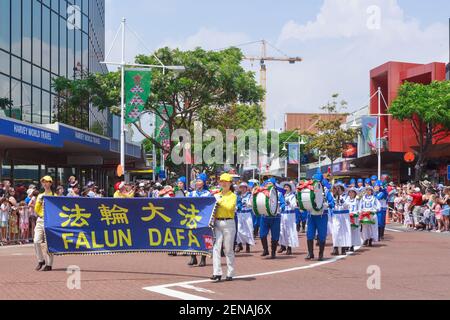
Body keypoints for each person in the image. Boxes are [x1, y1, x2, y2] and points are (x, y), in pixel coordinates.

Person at [210, 173, 237, 283]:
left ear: (230, 183)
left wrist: (218, 200)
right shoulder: (217, 195)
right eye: (222, 181)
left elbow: (230, 207)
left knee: (228, 249)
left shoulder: (233, 196)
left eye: (226, 181)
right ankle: (217, 273)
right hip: (217, 223)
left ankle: (230, 272)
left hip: (229, 223)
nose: (224, 183)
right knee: (216, 248)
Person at [305, 171, 334, 261]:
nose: (315, 182)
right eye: (314, 180)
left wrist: (326, 205)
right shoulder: (309, 189)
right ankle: (310, 253)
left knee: (321, 235)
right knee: (309, 235)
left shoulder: (325, 190)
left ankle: (321, 254)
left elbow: (332, 203)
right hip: (311, 215)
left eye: (317, 180)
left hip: (322, 215)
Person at [187, 173, 211, 267]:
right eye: (197, 181)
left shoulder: (208, 193)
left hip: (204, 218)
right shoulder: (191, 193)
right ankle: (193, 257)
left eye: (200, 180)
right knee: (191, 236)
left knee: (204, 237)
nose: (197, 182)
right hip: (193, 218)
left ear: (204, 182)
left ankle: (203, 258)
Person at [259, 177, 285, 259]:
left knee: (275, 236)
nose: (268, 185)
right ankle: (265, 250)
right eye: (267, 184)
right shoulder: (263, 193)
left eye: (270, 184)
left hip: (275, 217)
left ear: (274, 185)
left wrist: (279, 209)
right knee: (262, 235)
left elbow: (283, 204)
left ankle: (273, 252)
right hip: (265, 217)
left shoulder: (279, 194)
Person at [34, 176, 56, 271]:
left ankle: (49, 264)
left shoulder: (54, 196)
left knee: (48, 243)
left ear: (51, 183)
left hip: (50, 221)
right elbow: (36, 209)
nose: (45, 184)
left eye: (47, 182)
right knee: (36, 241)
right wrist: (40, 202)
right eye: (43, 182)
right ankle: (40, 260)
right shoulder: (40, 195)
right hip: (40, 220)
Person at [330, 183, 352, 256]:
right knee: (335, 232)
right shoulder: (333, 197)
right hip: (336, 215)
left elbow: (347, 205)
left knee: (344, 232)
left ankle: (343, 249)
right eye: (337, 188)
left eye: (339, 188)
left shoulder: (346, 197)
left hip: (344, 216)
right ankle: (335, 248)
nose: (338, 190)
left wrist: (341, 199)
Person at [279, 183, 299, 255]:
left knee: (289, 231)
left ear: (290, 188)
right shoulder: (281, 195)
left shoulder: (292, 196)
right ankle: (282, 245)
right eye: (284, 187)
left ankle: (289, 248)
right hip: (282, 215)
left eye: (287, 187)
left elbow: (294, 206)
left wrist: (289, 203)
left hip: (290, 215)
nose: (286, 188)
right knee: (281, 230)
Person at [235, 182, 255, 254]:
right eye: (241, 187)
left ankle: (247, 246)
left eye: (244, 187)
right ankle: (239, 244)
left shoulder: (250, 195)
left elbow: (251, 204)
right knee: (238, 230)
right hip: (239, 214)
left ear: (246, 188)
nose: (242, 189)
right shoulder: (237, 196)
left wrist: (247, 204)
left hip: (247, 214)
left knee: (248, 229)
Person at [345, 187, 361, 252]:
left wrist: (357, 214)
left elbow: (359, 209)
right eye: (350, 192)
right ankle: (347, 245)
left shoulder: (357, 201)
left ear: (355, 193)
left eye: (352, 192)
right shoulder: (346, 200)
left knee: (353, 232)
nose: (351, 193)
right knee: (347, 231)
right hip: (347, 217)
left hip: (354, 217)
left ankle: (352, 245)